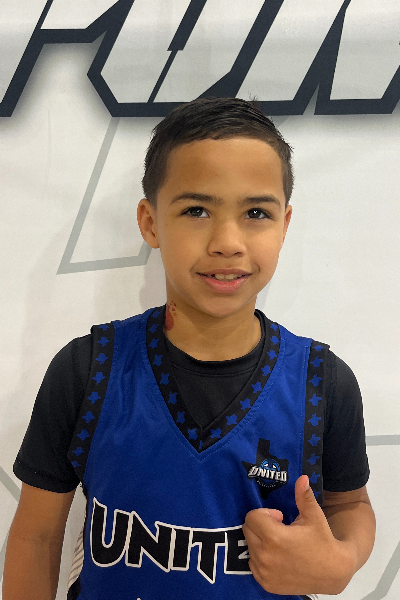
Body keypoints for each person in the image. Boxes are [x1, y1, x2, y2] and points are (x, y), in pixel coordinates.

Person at [3, 98, 375, 600]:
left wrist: (343, 561)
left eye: (256, 213)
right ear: (151, 222)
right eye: (196, 210)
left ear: (284, 225)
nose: (227, 242)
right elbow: (36, 536)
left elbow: (351, 505)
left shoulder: (322, 382)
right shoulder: (88, 370)